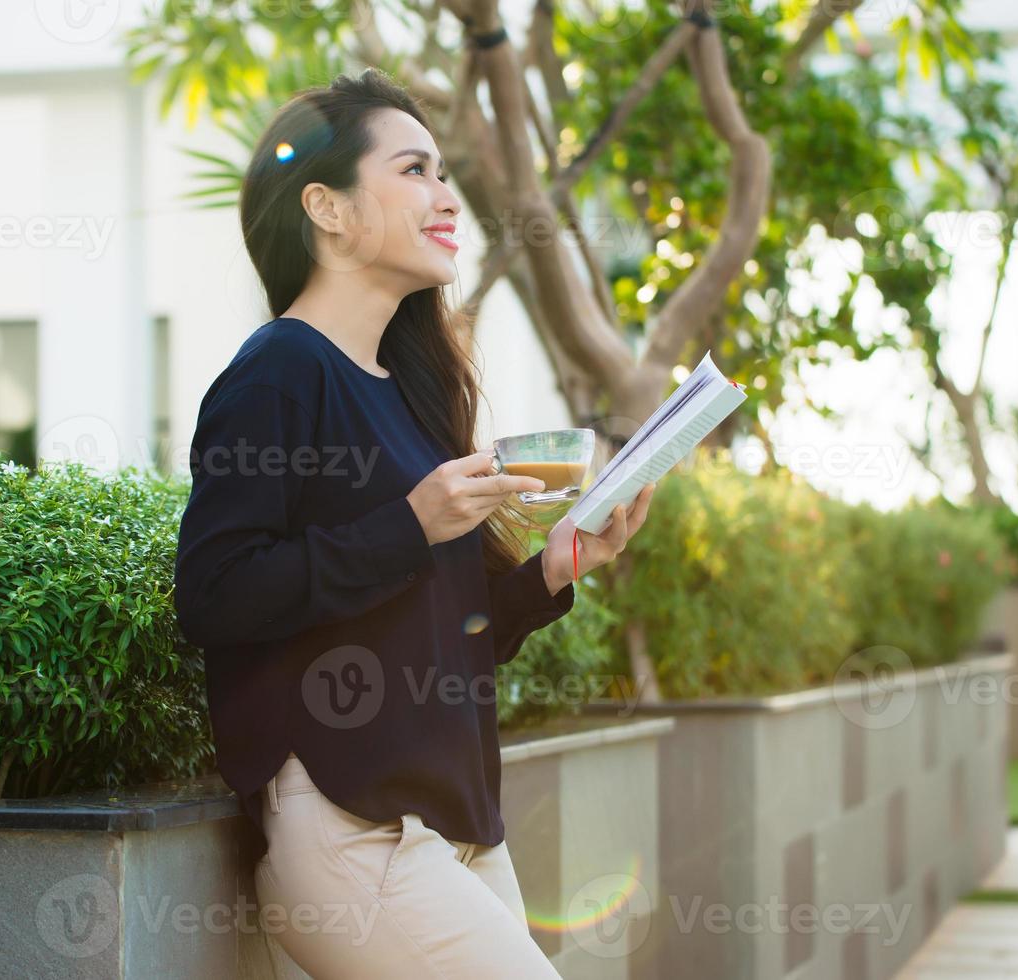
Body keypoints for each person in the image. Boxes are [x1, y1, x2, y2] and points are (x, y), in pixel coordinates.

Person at [172, 67, 655, 979]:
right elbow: (213, 594)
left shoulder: (413, 396)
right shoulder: (279, 371)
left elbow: (451, 634)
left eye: (443, 173)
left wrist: (553, 571)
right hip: (353, 832)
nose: (446, 197)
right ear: (328, 207)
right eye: (415, 171)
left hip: (456, 830)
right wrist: (409, 524)